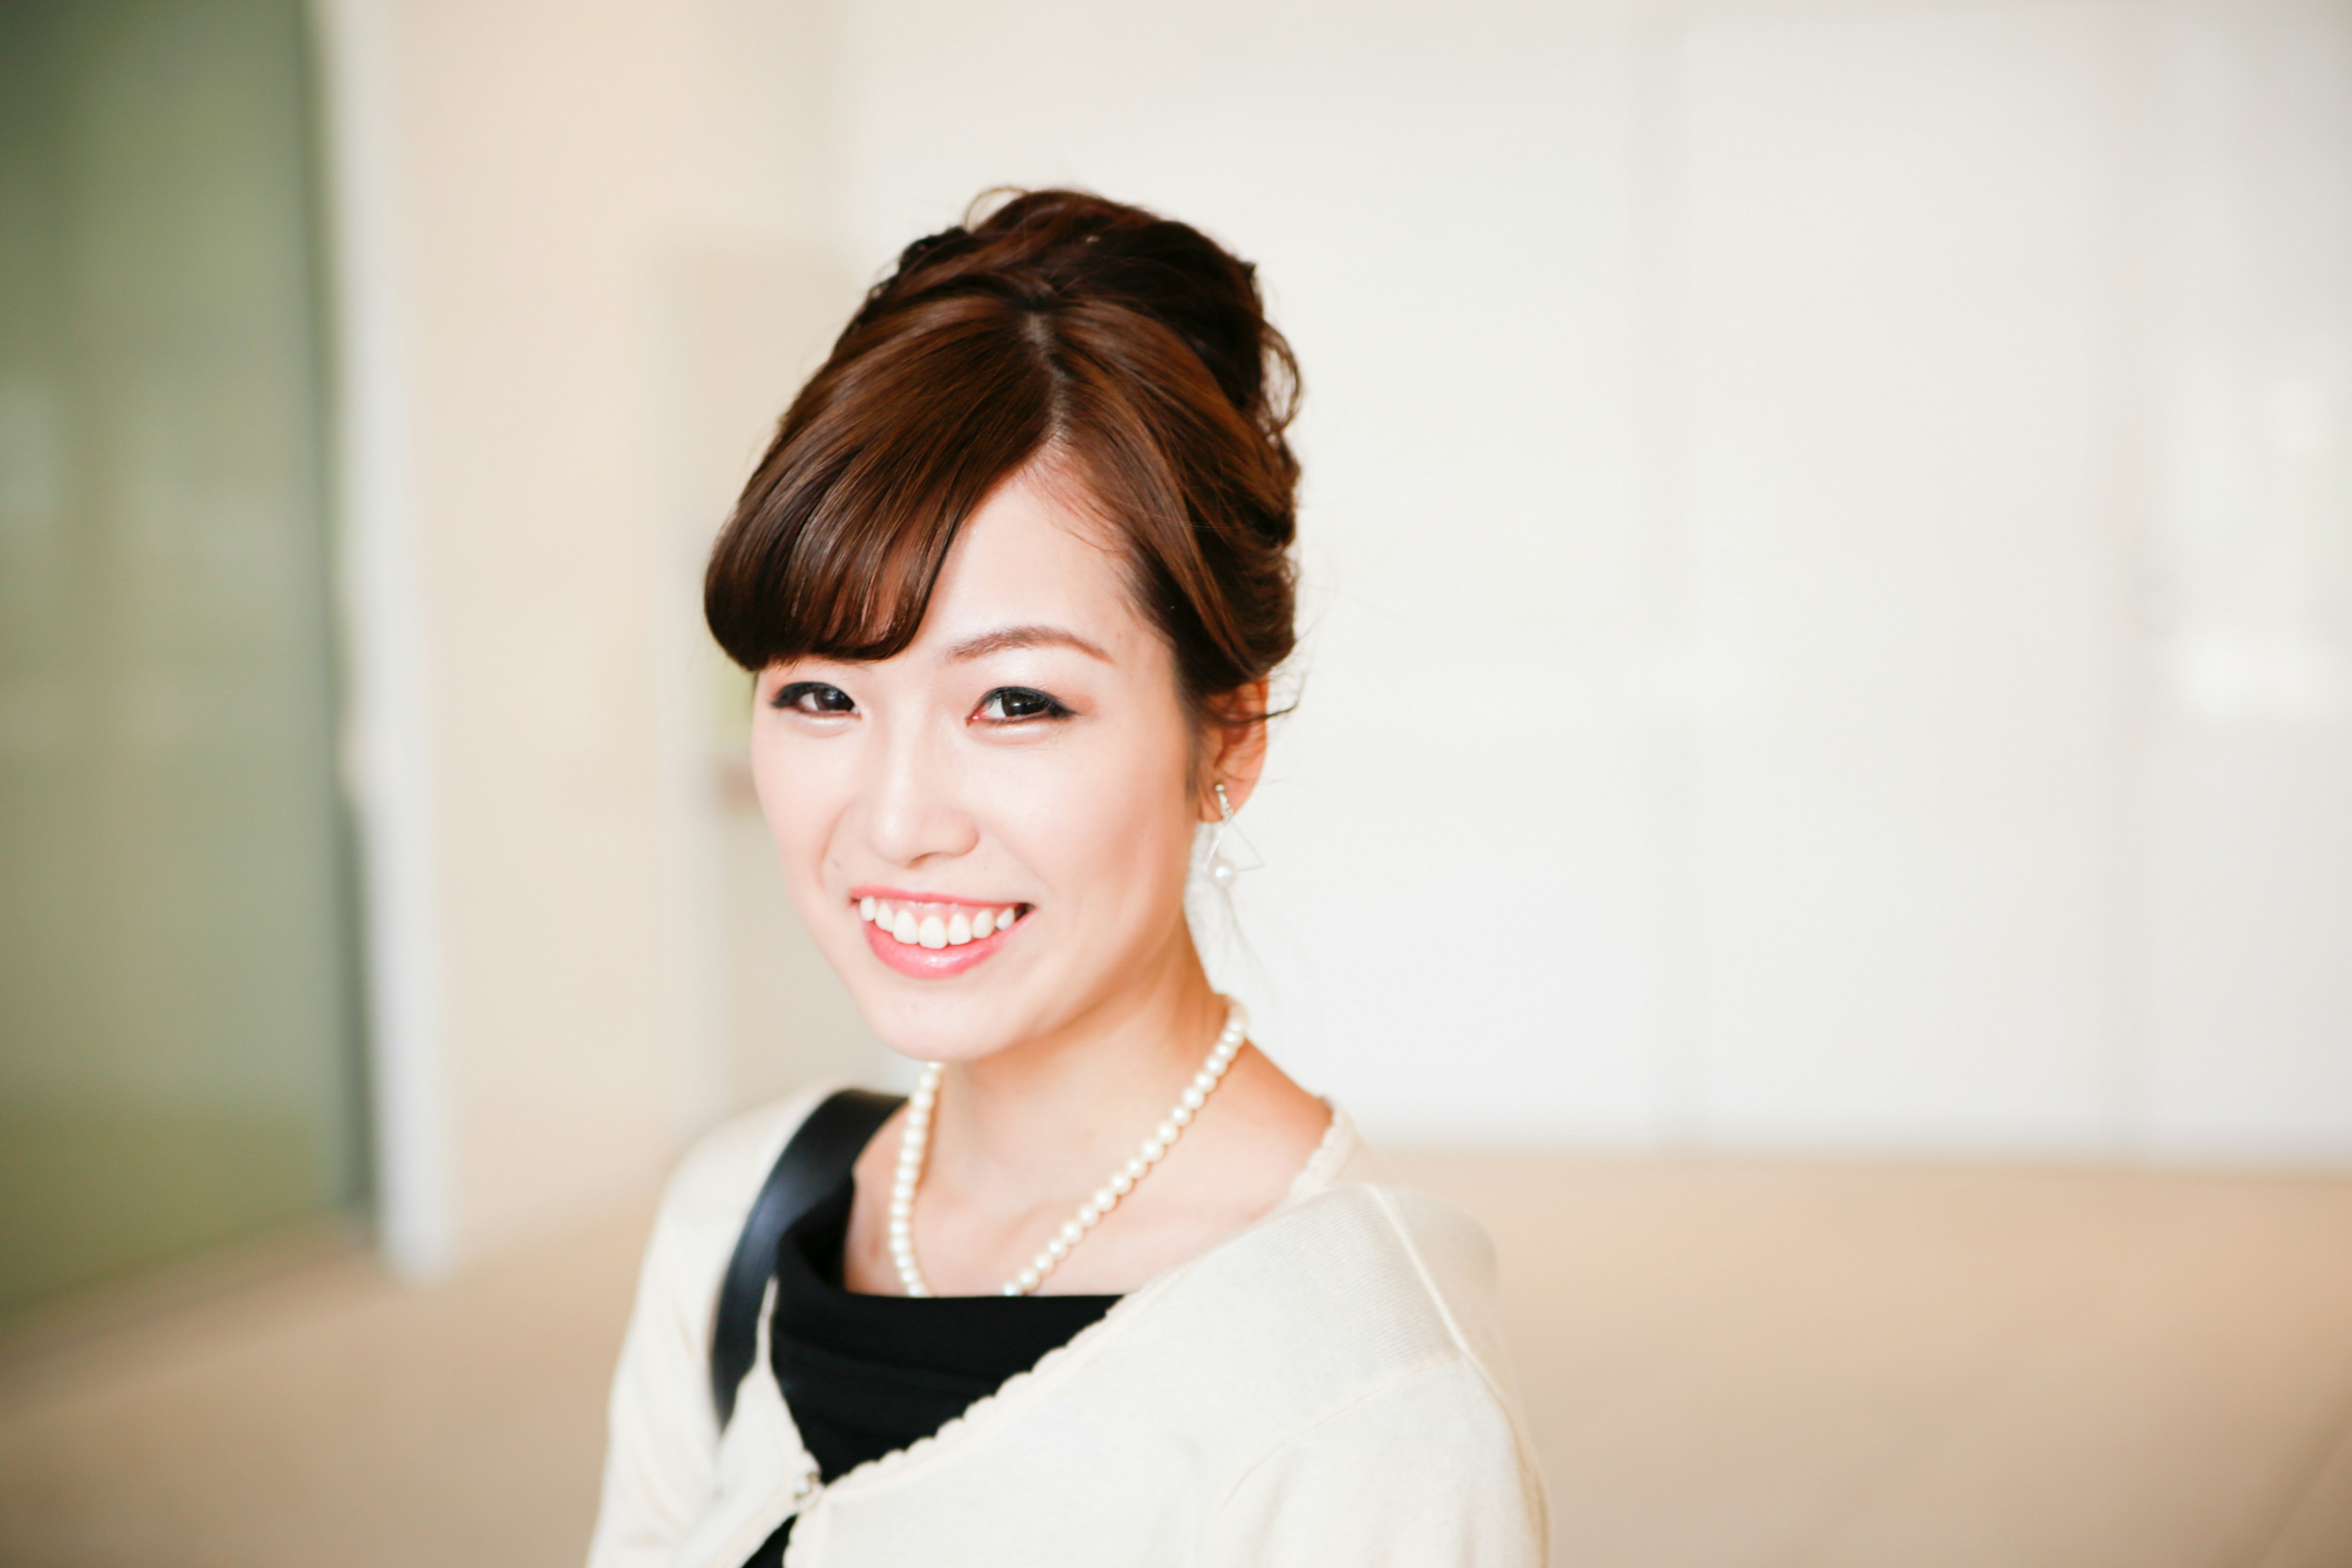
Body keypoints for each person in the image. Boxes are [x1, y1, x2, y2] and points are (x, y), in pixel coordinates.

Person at [586, 189, 1547, 1567]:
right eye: (819, 695)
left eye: (1018, 702)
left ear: (1228, 732)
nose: (897, 817)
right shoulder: (739, 1213)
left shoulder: (1369, 1403)